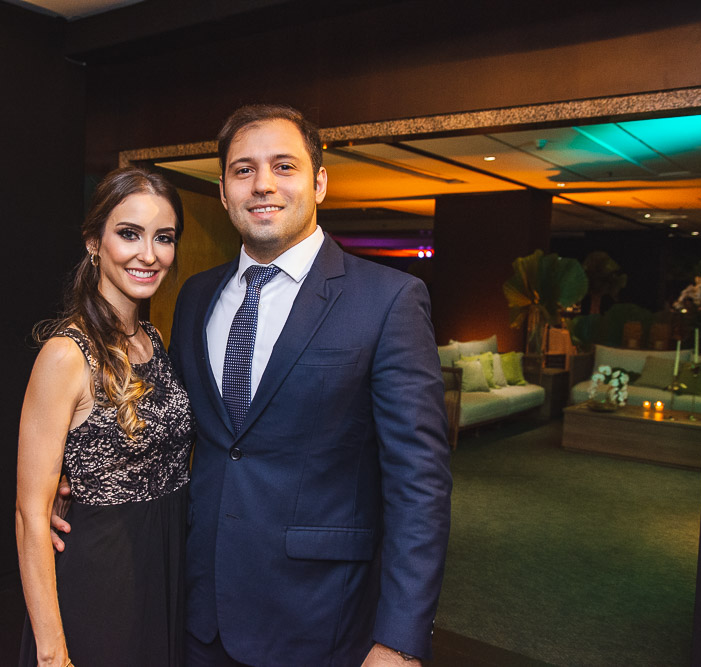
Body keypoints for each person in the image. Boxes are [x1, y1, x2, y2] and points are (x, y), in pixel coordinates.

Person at [55, 104, 452, 666]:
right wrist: (75, 475)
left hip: (321, 622)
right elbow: (170, 424)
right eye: (244, 170)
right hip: (197, 614)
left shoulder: (388, 300)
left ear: (319, 182)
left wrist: (400, 641)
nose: (263, 184)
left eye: (284, 166)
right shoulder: (194, 296)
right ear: (223, 192)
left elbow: (420, 484)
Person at [16, 167, 195, 667]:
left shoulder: (152, 339)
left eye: (164, 237)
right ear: (94, 242)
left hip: (160, 571)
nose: (149, 254)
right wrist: (52, 654)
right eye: (129, 234)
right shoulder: (66, 354)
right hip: (102, 582)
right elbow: (30, 515)